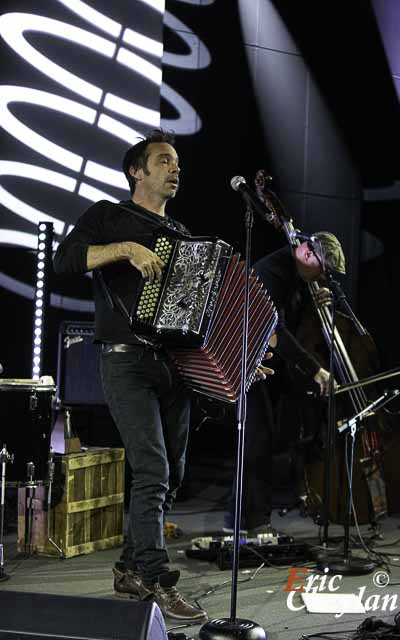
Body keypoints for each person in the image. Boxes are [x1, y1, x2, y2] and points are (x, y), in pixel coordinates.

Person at [54, 129, 208, 623]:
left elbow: (197, 310)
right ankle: (154, 581)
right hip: (125, 359)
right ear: (136, 171)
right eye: (164, 161)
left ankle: (127, 567)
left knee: (172, 474)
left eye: (177, 162)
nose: (174, 168)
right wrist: (125, 249)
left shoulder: (183, 235)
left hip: (174, 365)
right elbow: (65, 259)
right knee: (153, 470)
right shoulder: (106, 215)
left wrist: (236, 357)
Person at [223, 232, 346, 535]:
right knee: (257, 439)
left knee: (268, 439)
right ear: (307, 255)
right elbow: (275, 329)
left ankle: (243, 515)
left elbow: (293, 323)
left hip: (267, 363)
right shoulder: (270, 273)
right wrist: (315, 369)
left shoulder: (297, 276)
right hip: (243, 361)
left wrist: (313, 300)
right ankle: (251, 521)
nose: (323, 277)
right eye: (323, 270)